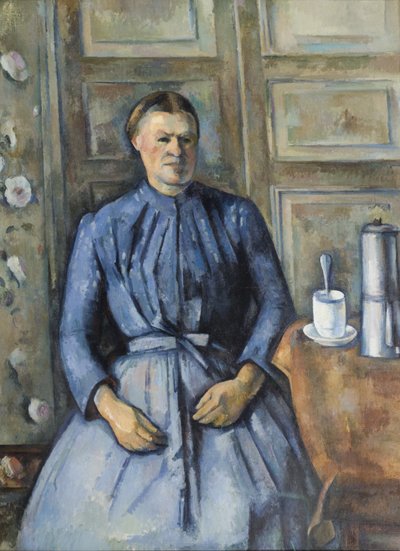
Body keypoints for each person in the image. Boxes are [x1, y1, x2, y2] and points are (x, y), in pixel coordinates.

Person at [17, 91, 320, 550]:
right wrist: (112, 410)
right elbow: (74, 334)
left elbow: (276, 304)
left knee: (255, 511)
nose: (176, 151)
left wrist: (244, 386)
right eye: (163, 139)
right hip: (133, 400)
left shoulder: (237, 216)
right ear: (137, 142)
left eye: (186, 139)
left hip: (222, 393)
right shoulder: (102, 226)